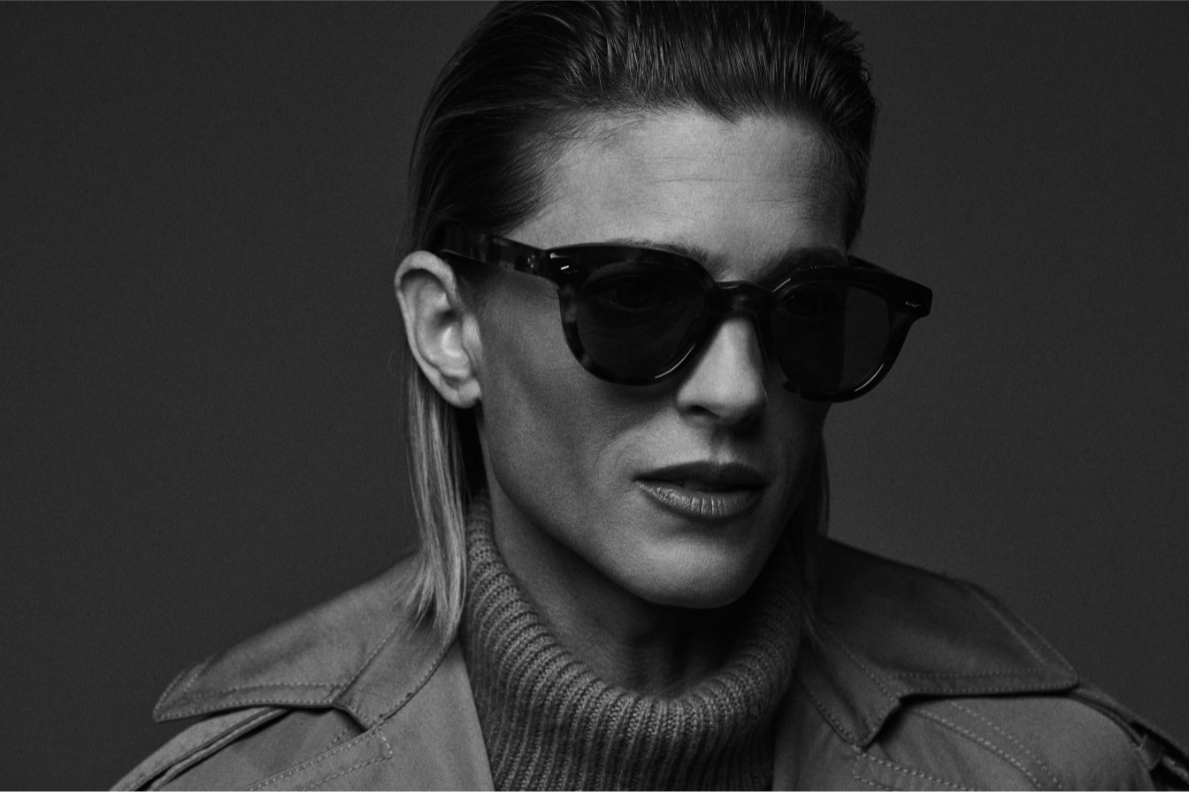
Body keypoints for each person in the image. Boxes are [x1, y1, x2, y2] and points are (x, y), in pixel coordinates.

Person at [116, 2, 1188, 789]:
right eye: (634, 298)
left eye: (805, 309)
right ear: (448, 331)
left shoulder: (1054, 773)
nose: (735, 389)